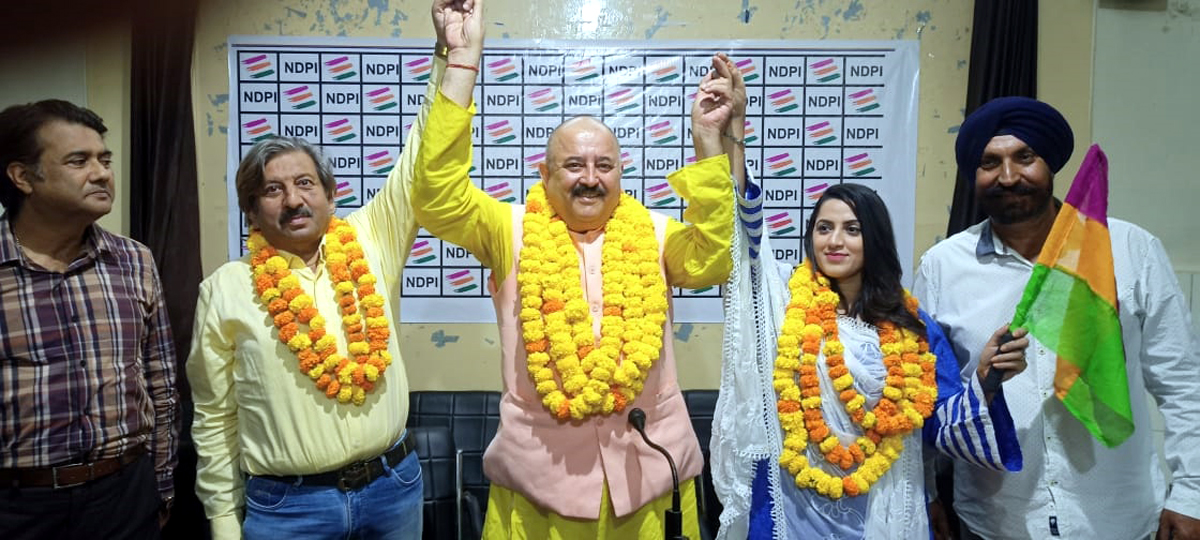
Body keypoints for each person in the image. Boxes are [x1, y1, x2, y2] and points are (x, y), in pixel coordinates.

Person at [412, 1, 738, 537]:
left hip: (648, 479)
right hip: (539, 487)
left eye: (603, 165)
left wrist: (708, 142)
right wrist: (462, 62)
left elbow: (714, 259)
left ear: (620, 174)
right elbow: (437, 198)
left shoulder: (653, 233)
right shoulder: (507, 229)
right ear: (544, 175)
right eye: (573, 165)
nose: (590, 178)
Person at [711, 63, 1026, 539]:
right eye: (824, 228)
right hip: (792, 511)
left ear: (873, 239)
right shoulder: (784, 305)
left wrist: (984, 379)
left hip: (884, 509)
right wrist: (735, 128)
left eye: (852, 229)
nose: (835, 241)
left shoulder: (913, 327)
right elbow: (746, 238)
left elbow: (939, 424)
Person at [185, 20, 450, 539]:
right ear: (251, 212)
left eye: (305, 183)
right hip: (288, 509)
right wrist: (222, 520)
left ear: (331, 195)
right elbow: (215, 416)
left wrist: (448, 53)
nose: (293, 200)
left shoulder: (371, 241)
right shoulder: (224, 289)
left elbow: (420, 155)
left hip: (393, 488)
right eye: (272, 190)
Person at [914, 96, 1200, 540]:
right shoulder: (942, 266)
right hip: (995, 521)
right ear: (974, 175)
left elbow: (1181, 380)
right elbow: (923, 394)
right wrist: (926, 492)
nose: (1008, 176)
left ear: (1050, 165)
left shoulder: (1130, 249)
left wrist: (1191, 494)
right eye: (990, 163)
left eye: (1024, 157)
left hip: (1117, 518)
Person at [0, 99, 179, 539]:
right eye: (78, 161)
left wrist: (161, 485)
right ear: (23, 176)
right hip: (18, 506)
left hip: (125, 497)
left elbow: (161, 384)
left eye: (105, 159)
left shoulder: (134, 261)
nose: (101, 174)